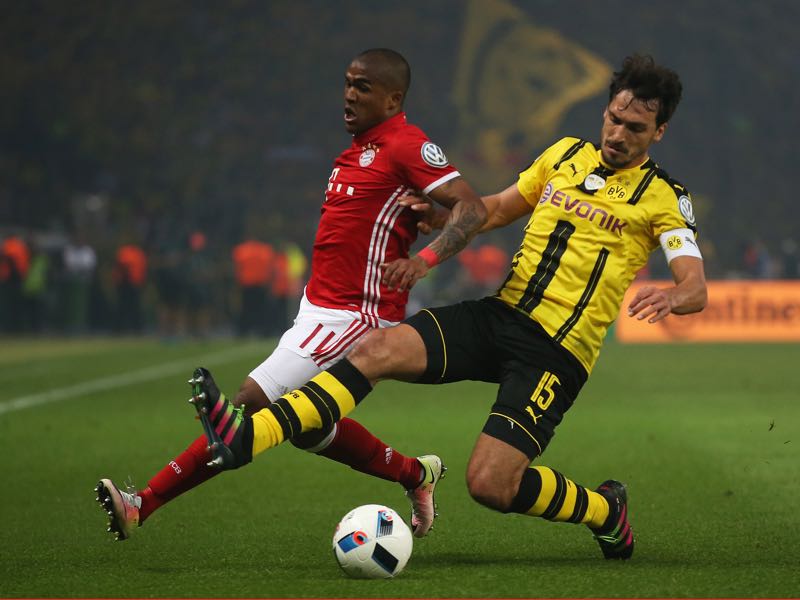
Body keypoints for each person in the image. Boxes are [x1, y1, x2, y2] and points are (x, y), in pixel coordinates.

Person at [177, 54, 707, 560]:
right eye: (614, 119)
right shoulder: (564, 154)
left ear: (658, 133)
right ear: (606, 109)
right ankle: (252, 434)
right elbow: (499, 206)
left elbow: (695, 286)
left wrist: (672, 295)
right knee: (376, 346)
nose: (618, 135)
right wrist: (437, 216)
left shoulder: (664, 196)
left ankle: (604, 509)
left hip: (555, 353)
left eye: (635, 129)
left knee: (490, 485)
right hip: (499, 316)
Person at [96, 48, 486, 541]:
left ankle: (142, 504)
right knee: (309, 428)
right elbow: (395, 211)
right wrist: (426, 213)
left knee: (248, 407)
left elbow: (471, 209)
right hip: (316, 306)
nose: (348, 94)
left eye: (363, 87)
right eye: (347, 82)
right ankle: (415, 475)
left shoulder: (407, 144)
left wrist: (423, 260)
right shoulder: (355, 151)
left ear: (393, 98)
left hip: (354, 316)